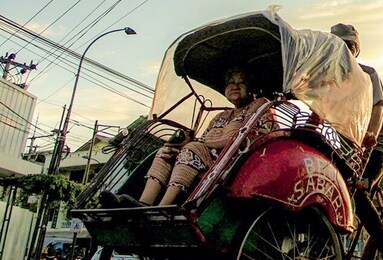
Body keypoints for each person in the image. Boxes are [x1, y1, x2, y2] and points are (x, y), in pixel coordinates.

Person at [103, 67, 271, 208]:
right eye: (230, 82)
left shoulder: (260, 107)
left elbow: (254, 139)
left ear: (251, 87)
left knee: (192, 149)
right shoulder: (221, 116)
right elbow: (203, 141)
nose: (234, 85)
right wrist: (185, 144)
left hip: (234, 163)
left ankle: (163, 207)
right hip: (207, 158)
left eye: (241, 82)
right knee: (166, 152)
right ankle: (143, 203)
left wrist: (201, 143)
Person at [330, 23, 383, 260]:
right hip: (348, 146)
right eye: (338, 46)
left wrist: (371, 131)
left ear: (356, 49)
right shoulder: (330, 81)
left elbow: (378, 108)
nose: (344, 51)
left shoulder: (368, 74)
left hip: (376, 146)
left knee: (358, 191)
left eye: (349, 46)